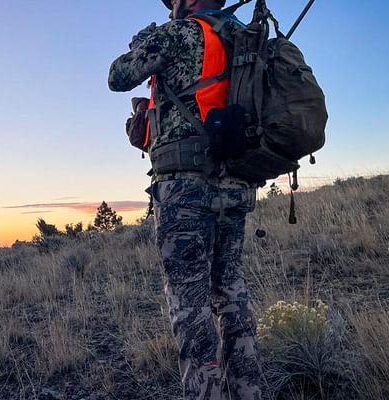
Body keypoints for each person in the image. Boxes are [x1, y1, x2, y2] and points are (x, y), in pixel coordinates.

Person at [108, 1, 263, 399]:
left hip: (185, 191)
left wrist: (145, 38)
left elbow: (118, 75)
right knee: (231, 296)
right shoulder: (237, 38)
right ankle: (247, 390)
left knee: (190, 308)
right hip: (233, 185)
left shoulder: (180, 33)